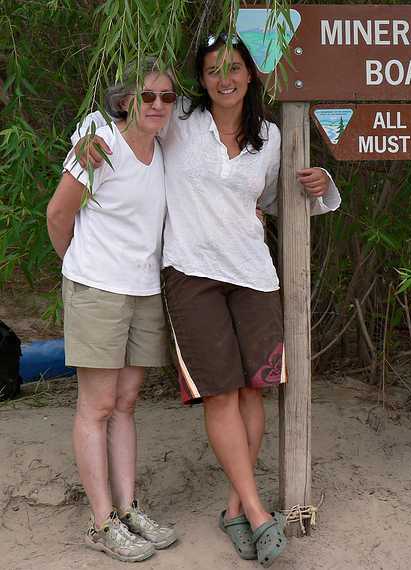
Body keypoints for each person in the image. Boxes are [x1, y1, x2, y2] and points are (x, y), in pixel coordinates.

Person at [75, 35, 341, 567]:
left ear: (251, 74)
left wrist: (320, 182)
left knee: (254, 392)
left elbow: (271, 198)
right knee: (220, 393)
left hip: (253, 274)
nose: (226, 78)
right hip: (190, 274)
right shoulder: (181, 120)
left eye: (236, 67)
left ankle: (234, 507)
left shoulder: (270, 136)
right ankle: (261, 514)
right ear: (202, 78)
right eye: (215, 69)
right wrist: (88, 136)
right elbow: (128, 116)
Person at [47, 59, 178, 563]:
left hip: (142, 289)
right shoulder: (98, 140)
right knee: (96, 405)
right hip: (98, 287)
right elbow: (58, 213)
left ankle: (128, 508)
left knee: (125, 402)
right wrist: (79, 267)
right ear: (127, 101)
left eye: (167, 97)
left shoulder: (163, 149)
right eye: (148, 97)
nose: (159, 106)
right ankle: (101, 522)